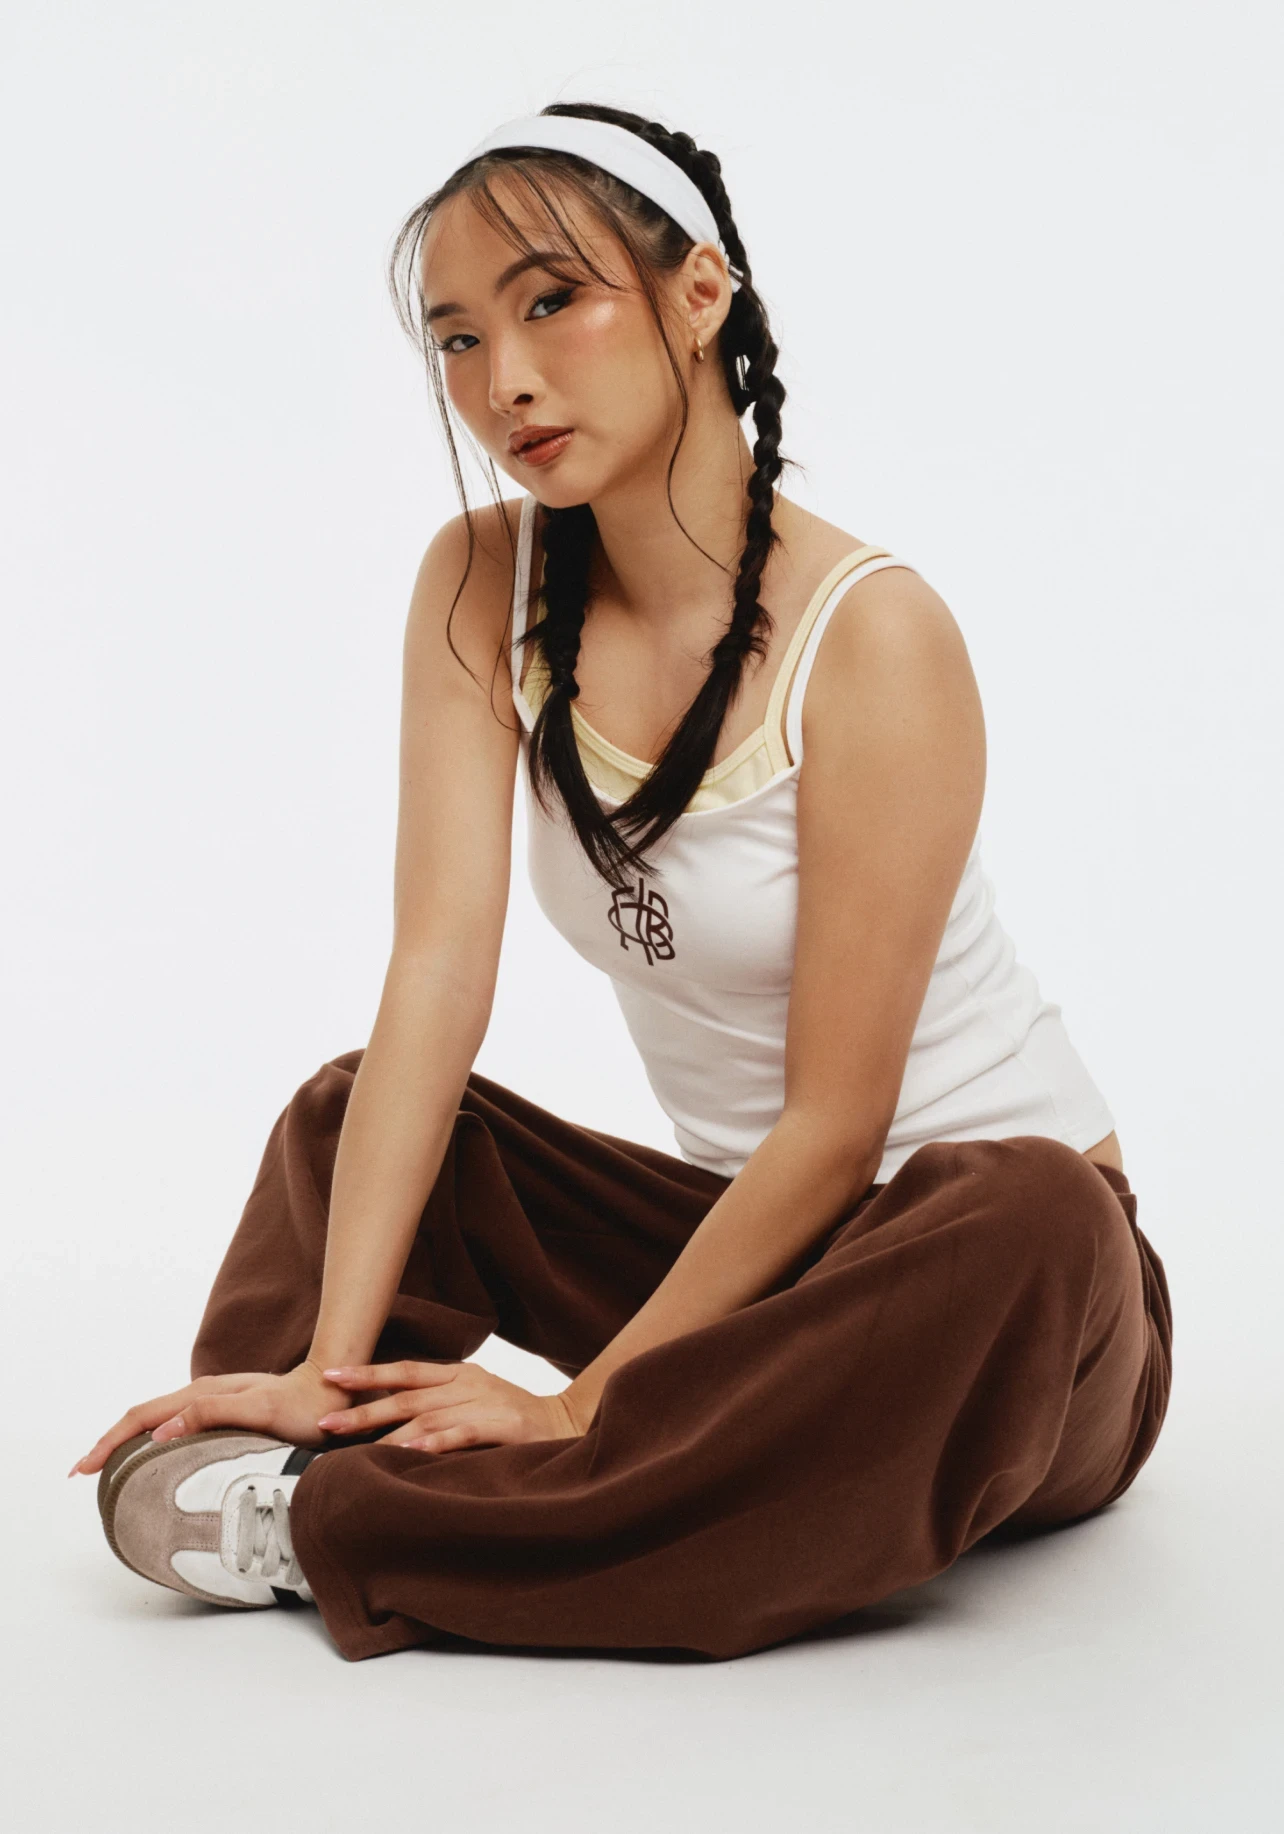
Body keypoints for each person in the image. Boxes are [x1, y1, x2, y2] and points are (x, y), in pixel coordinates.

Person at [70, 102, 1172, 1662]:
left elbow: (839, 1124)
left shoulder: (874, 639)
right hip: (747, 1265)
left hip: (1012, 1312)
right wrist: (330, 1350)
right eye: (454, 338)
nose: (500, 379)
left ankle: (378, 1525)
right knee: (360, 1105)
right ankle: (302, 1440)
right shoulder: (478, 583)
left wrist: (587, 1398)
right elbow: (438, 975)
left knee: (1027, 1199)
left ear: (702, 295)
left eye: (548, 301)